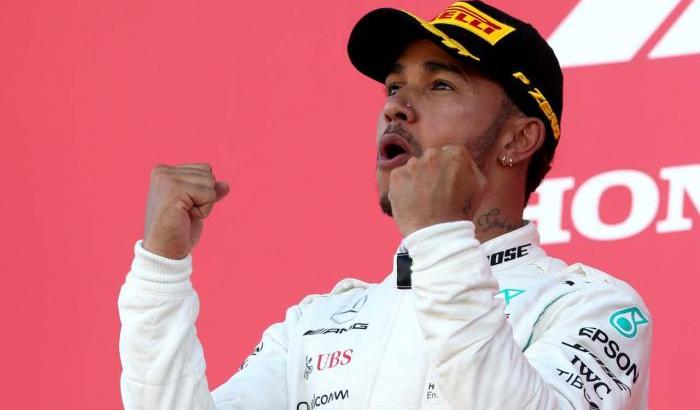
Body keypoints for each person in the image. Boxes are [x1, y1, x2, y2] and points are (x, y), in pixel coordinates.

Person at [118, 1, 652, 409]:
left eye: (440, 85)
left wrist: (439, 236)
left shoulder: (589, 307)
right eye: (394, 87)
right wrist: (161, 270)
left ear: (518, 139)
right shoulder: (317, 324)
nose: (397, 107)